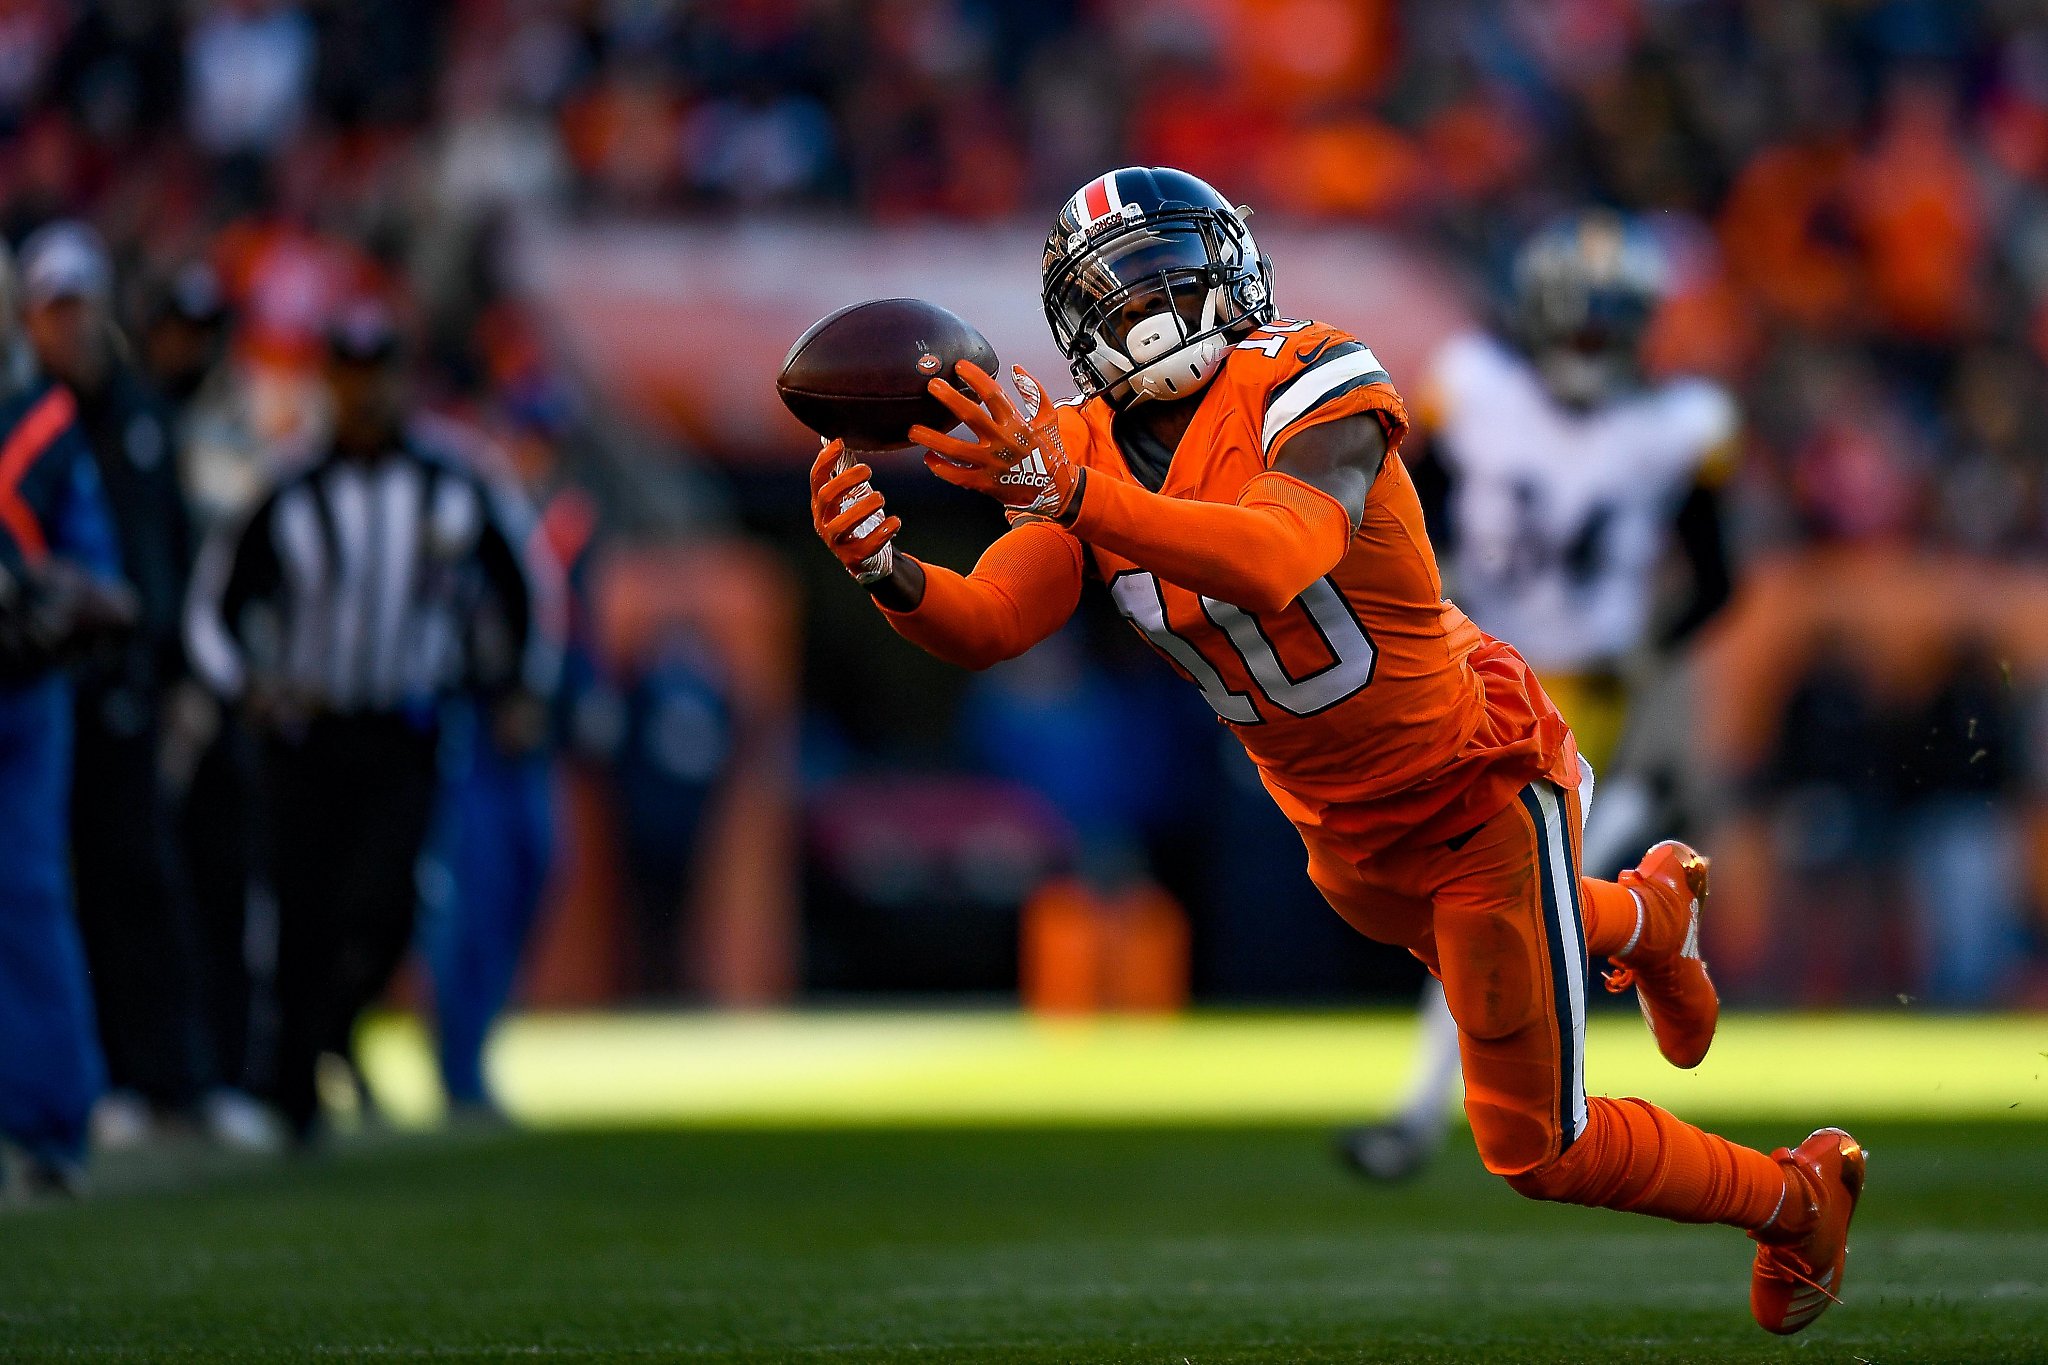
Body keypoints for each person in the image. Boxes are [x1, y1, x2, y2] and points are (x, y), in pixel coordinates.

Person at [808, 168, 1864, 1336]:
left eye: (1180, 266)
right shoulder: (1073, 449)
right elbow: (992, 622)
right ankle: (1645, 918)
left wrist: (1073, 495)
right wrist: (887, 575)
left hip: (1475, 778)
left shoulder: (1311, 377)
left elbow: (1275, 556)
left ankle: (1793, 1197)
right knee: (1490, 954)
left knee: (1534, 1148)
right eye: (1137, 284)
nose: (1170, 301)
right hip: (1338, 831)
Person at [1338, 210, 1741, 1182]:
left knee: (1495, 907)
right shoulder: (1472, 385)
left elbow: (1718, 577)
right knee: (1483, 912)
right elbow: (1405, 513)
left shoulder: (1672, 426)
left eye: (1604, 322)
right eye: (1576, 320)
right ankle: (1649, 922)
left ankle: (1414, 1119)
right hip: (1468, 675)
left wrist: (1645, 658)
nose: (1587, 343)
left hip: (1576, 697)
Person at [184, 303, 554, 1143]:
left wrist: (523, 686)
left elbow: (526, 587)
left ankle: (327, 1041)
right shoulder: (287, 485)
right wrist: (245, 685)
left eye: (378, 371)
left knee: (387, 904)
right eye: (348, 374)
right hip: (308, 730)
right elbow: (213, 607)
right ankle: (295, 1094)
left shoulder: (455, 478)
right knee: (304, 906)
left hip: (407, 724)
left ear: (401, 379)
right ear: (329, 382)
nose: (364, 393)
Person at [19, 222, 214, 1147]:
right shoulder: (37, 419)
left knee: (137, 876)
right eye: (58, 309)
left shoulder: (134, 416)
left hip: (119, 676)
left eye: (83, 307)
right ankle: (77, 1087)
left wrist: (178, 672)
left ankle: (160, 1075)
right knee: (48, 888)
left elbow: (167, 551)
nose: (74, 326)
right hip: (40, 674)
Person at [0, 241, 136, 1196]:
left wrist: (45, 593)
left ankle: (52, 1119)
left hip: (20, 692)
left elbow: (109, 587)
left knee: (27, 894)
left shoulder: (43, 425)